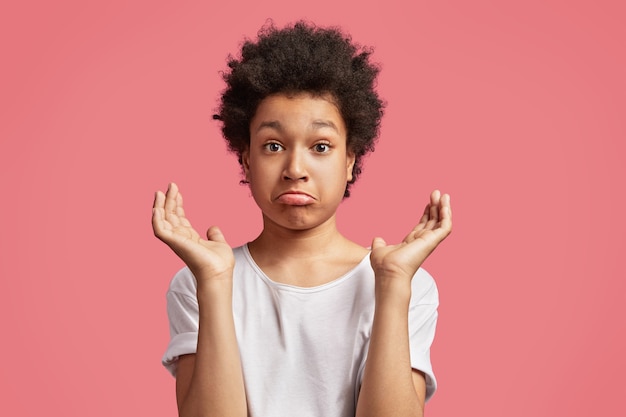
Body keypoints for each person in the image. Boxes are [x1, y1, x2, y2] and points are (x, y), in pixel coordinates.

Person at [152, 21, 452, 417]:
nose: (295, 168)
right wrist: (213, 284)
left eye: (321, 146)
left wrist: (395, 286)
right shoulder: (197, 281)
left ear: (349, 160)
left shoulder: (407, 282)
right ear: (246, 159)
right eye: (273, 145)